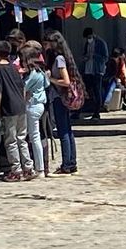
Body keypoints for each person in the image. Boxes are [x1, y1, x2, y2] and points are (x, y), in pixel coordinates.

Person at [0, 40, 34, 182]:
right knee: (22, 138)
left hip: (9, 108)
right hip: (21, 106)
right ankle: (28, 167)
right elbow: (22, 87)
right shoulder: (14, 68)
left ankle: (16, 170)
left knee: (10, 141)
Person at [44, 31, 81, 174]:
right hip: (62, 97)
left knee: (63, 130)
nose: (45, 46)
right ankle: (71, 162)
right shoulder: (62, 57)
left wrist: (50, 78)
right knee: (68, 129)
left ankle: (67, 163)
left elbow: (66, 81)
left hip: (60, 97)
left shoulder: (59, 59)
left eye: (47, 43)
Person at [21, 42, 49, 176]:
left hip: (32, 106)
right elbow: (47, 84)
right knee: (34, 136)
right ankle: (39, 166)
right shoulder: (41, 72)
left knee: (32, 137)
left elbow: (23, 88)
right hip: (40, 105)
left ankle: (38, 167)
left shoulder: (32, 75)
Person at [81, 28, 109, 122]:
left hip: (97, 70)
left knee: (97, 91)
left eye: (89, 37)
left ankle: (97, 112)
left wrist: (94, 56)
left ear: (92, 34)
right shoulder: (87, 44)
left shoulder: (100, 43)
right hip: (88, 69)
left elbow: (105, 57)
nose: (88, 39)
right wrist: (85, 57)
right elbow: (85, 54)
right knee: (87, 90)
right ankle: (83, 110)